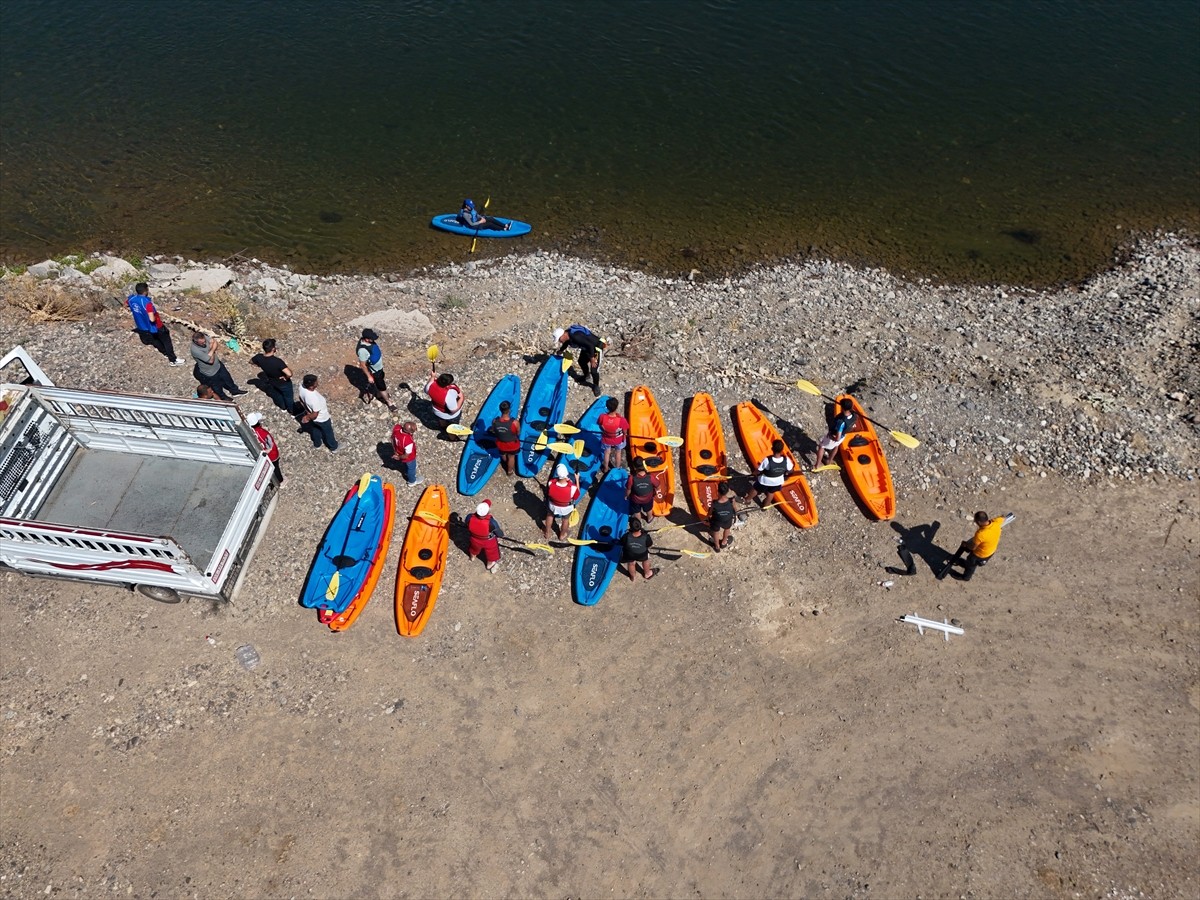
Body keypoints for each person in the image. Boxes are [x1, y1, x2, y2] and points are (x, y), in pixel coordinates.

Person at [937, 511, 1012, 581]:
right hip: (991, 550)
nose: (975, 522)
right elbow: (1003, 518)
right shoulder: (996, 522)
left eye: (975, 521)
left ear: (979, 522)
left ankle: (965, 577)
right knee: (970, 562)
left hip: (980, 554)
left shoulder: (981, 534)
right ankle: (962, 563)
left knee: (971, 565)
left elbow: (972, 547)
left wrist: (965, 544)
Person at [127, 282, 184, 366]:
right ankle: (173, 360)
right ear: (146, 291)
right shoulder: (147, 303)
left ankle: (165, 353)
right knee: (166, 341)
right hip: (155, 326)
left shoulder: (131, 299)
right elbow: (151, 319)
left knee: (155, 341)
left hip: (142, 327)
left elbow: (127, 304)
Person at [552, 324, 606, 397]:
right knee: (581, 361)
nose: (559, 341)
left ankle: (596, 386)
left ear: (563, 335)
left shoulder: (576, 337)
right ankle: (586, 375)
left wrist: (592, 359)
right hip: (586, 348)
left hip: (595, 348)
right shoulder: (568, 336)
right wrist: (561, 350)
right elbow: (566, 343)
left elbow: (590, 345)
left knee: (594, 369)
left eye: (559, 339)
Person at [190, 331, 245, 401]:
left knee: (227, 378)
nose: (204, 343)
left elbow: (215, 342)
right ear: (196, 342)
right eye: (202, 343)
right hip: (210, 372)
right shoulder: (195, 350)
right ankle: (223, 397)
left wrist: (210, 351)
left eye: (204, 341)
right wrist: (212, 348)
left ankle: (234, 390)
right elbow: (210, 361)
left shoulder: (203, 337)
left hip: (218, 365)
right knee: (217, 387)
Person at [355, 328, 398, 413]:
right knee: (382, 387)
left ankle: (378, 394)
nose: (374, 340)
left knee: (381, 379)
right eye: (372, 338)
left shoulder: (368, 343)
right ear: (367, 339)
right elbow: (362, 365)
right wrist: (369, 376)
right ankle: (389, 402)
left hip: (379, 368)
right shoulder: (363, 351)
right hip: (375, 371)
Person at [742, 438, 793, 507]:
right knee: (771, 493)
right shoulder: (786, 459)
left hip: (765, 481)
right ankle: (765, 506)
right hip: (777, 481)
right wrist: (785, 473)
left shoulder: (767, 460)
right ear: (782, 450)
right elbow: (791, 470)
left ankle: (747, 500)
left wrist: (753, 474)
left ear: (772, 448)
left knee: (756, 489)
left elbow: (758, 470)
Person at [250, 338, 295, 413]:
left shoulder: (259, 357)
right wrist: (285, 377)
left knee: (278, 394)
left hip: (272, 381)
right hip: (283, 383)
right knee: (288, 397)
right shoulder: (277, 361)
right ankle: (292, 411)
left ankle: (283, 407)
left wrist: (259, 365)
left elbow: (251, 361)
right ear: (273, 349)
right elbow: (289, 373)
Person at [813, 398, 859, 470]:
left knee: (821, 446)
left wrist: (831, 436)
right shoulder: (854, 415)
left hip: (836, 437)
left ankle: (817, 465)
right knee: (836, 446)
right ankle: (829, 460)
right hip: (843, 436)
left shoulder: (841, 422)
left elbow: (837, 438)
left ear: (842, 408)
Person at [299, 373, 338, 452]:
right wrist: (307, 417)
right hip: (322, 418)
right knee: (328, 432)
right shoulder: (314, 398)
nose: (318, 383)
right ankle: (334, 447)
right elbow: (315, 414)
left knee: (315, 429)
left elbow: (300, 399)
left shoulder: (302, 387)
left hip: (314, 418)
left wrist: (307, 411)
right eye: (316, 382)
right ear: (311, 386)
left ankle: (317, 444)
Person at [544, 463, 581, 540]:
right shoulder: (572, 487)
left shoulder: (551, 482)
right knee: (565, 520)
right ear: (566, 474)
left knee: (549, 515)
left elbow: (552, 487)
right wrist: (577, 479)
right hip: (566, 508)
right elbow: (577, 495)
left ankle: (547, 533)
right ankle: (562, 535)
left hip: (553, 505)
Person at [465, 499, 504, 573]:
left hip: (474, 538)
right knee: (492, 552)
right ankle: (489, 564)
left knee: (474, 548)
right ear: (487, 513)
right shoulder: (491, 522)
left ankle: (472, 557)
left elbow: (466, 524)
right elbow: (498, 532)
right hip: (488, 541)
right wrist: (501, 535)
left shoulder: (469, 517)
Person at [246, 412, 284, 486]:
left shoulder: (252, 432)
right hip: (272, 454)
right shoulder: (262, 432)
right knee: (276, 467)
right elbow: (270, 444)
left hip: (264, 454)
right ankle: (280, 481)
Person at [425, 365, 464, 431]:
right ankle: (452, 436)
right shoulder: (449, 394)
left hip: (437, 411)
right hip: (449, 415)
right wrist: (462, 398)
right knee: (453, 427)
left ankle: (443, 427)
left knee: (441, 420)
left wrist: (432, 377)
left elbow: (426, 390)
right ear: (448, 384)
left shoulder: (430, 386)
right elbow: (453, 410)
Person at [489, 399, 521, 476]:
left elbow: (494, 431)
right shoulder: (515, 423)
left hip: (500, 444)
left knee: (503, 454)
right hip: (512, 445)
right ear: (509, 410)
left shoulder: (494, 421)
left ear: (500, 410)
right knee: (511, 457)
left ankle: (505, 462)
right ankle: (509, 471)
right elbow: (518, 433)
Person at [597, 397, 629, 473]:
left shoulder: (602, 417)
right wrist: (625, 434)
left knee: (607, 452)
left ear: (607, 407)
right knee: (618, 452)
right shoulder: (621, 420)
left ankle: (605, 468)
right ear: (616, 407)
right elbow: (625, 431)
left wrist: (604, 431)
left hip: (606, 439)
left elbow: (600, 425)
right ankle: (617, 468)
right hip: (618, 439)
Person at [390, 420, 423, 485]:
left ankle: (405, 471)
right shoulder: (408, 441)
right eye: (414, 429)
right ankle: (412, 481)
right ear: (409, 432)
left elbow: (392, 438)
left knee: (405, 464)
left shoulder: (397, 428)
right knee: (411, 468)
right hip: (409, 457)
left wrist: (395, 450)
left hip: (399, 451)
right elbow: (406, 456)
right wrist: (398, 457)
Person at [621, 516, 655, 581]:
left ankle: (633, 576)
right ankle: (647, 573)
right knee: (645, 560)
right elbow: (649, 545)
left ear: (630, 527)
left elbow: (622, 543)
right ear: (640, 526)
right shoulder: (646, 536)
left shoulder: (626, 536)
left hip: (630, 554)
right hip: (642, 554)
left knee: (631, 563)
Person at [708, 482, 738, 552]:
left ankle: (717, 546)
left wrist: (707, 518)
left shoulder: (714, 503)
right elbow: (735, 510)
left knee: (716, 531)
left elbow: (710, 513)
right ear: (727, 491)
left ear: (718, 491)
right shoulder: (731, 500)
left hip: (717, 521)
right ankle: (724, 542)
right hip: (727, 519)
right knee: (727, 528)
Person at [625, 457, 657, 524]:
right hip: (648, 499)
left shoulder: (631, 478)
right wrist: (656, 492)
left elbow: (628, 489)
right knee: (649, 509)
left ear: (634, 467)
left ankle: (638, 523)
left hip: (636, 500)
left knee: (636, 512)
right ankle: (650, 518)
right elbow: (658, 485)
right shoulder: (651, 477)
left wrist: (627, 496)